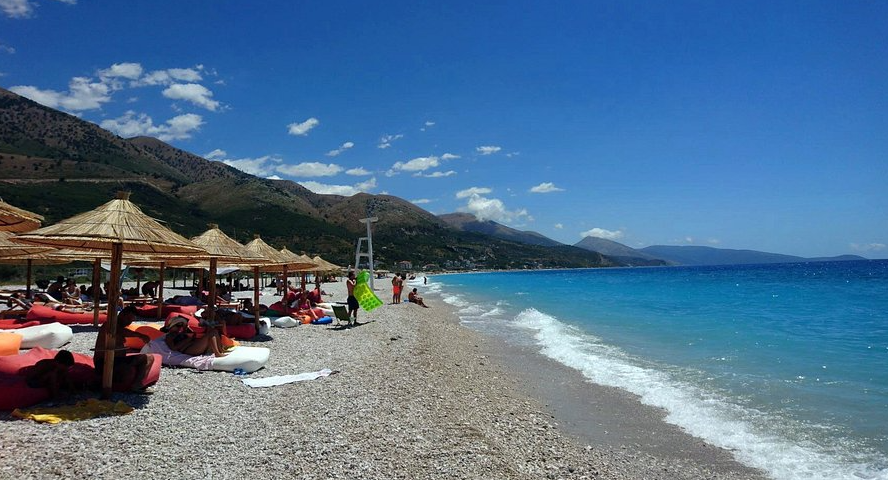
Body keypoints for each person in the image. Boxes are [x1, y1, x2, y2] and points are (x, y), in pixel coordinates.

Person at [93, 306, 155, 390]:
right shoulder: (110, 325)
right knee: (145, 358)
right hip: (104, 362)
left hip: (116, 361)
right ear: (122, 314)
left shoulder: (117, 327)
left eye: (131, 320)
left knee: (149, 358)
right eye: (128, 319)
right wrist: (140, 335)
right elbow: (120, 331)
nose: (129, 322)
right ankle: (137, 384)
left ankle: (137, 384)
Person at [161, 316, 227, 357]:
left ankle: (220, 350)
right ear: (171, 326)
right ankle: (217, 353)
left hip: (192, 345)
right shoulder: (169, 336)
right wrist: (187, 340)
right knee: (212, 332)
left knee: (214, 330)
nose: (180, 327)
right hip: (187, 349)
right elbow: (173, 348)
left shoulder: (180, 333)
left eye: (181, 325)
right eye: (178, 325)